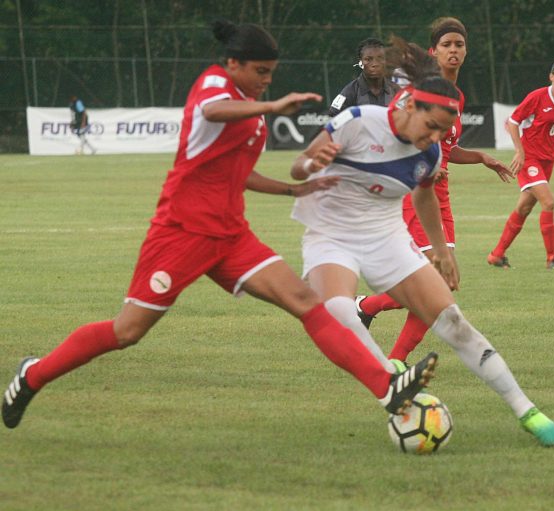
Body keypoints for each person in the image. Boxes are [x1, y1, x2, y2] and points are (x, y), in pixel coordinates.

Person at [2, 20, 438, 431]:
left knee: (306, 301)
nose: (267, 80)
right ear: (234, 64)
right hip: (182, 232)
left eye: (271, 74)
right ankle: (34, 374)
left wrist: (291, 190)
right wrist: (269, 104)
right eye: (260, 72)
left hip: (231, 235)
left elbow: (238, 173)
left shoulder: (250, 113)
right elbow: (212, 111)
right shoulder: (216, 84)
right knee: (127, 331)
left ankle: (386, 388)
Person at [290, 36, 554, 446]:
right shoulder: (358, 120)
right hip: (332, 236)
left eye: (443, 130)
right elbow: (298, 168)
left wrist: (439, 249)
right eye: (432, 126)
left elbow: (422, 193)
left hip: (386, 237)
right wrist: (312, 162)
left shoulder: (432, 153)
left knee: (454, 322)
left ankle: (527, 411)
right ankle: (391, 378)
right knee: (337, 309)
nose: (436, 138)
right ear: (406, 106)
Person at [354, 17, 513, 367]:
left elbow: (447, 148)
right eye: (447, 45)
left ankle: (373, 321)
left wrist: (481, 157)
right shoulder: (419, 91)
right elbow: (397, 133)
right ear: (434, 51)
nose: (454, 50)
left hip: (441, 198)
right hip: (414, 194)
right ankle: (388, 348)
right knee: (432, 284)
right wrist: (424, 160)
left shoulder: (455, 95)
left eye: (459, 44)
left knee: (439, 285)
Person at [487, 59, 554, 270]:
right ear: (552, 77)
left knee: (524, 207)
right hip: (530, 158)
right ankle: (552, 258)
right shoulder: (537, 97)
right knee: (548, 202)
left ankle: (497, 254)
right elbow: (513, 121)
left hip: (548, 161)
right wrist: (519, 151)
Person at [328, 38, 399, 117]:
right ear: (360, 62)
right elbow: (332, 116)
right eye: (368, 59)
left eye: (380, 58)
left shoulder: (395, 90)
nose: (375, 64)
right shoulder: (350, 91)